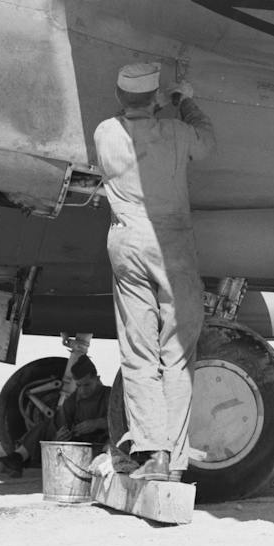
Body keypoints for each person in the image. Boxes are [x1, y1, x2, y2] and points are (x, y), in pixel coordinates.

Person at [94, 62, 215, 482]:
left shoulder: (105, 133)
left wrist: (157, 102)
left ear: (119, 96)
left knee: (139, 353)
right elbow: (206, 143)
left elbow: (137, 119)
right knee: (177, 354)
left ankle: (153, 454)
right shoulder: (180, 133)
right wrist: (185, 101)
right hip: (173, 247)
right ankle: (175, 463)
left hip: (127, 245)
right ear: (154, 98)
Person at [0, 355, 110, 478]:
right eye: (78, 386)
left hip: (103, 445)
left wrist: (98, 423)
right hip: (80, 447)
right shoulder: (74, 400)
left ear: (97, 379)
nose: (82, 390)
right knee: (44, 427)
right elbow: (61, 423)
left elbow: (125, 423)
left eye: (87, 385)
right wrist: (59, 437)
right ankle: (16, 459)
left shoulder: (111, 396)